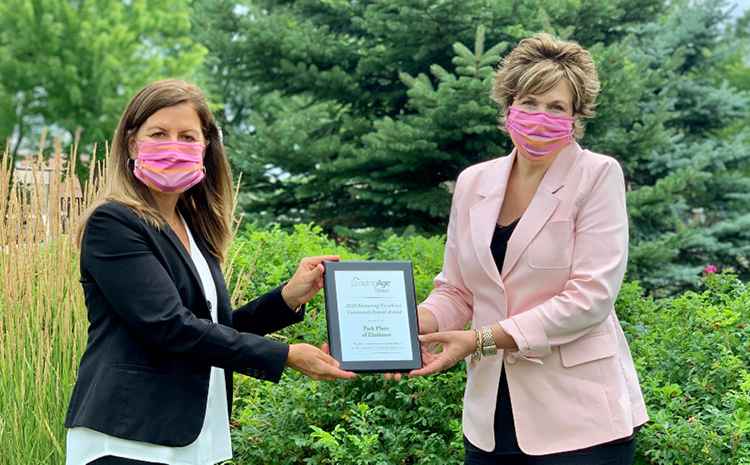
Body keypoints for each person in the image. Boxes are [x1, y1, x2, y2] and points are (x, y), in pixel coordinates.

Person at [64, 79, 356, 465]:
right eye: (159, 133)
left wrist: (286, 298)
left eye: (187, 136)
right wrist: (284, 355)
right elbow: (170, 325)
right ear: (133, 143)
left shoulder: (191, 225)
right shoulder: (113, 222)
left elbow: (212, 327)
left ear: (205, 147)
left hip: (195, 437)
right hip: (129, 438)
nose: (174, 145)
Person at [404, 34, 649, 464]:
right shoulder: (473, 182)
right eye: (530, 102)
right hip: (489, 423)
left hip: (580, 420)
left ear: (576, 116)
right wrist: (403, 325)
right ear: (509, 106)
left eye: (556, 107)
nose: (540, 116)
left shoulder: (596, 176)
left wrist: (480, 339)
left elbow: (590, 298)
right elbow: (457, 290)